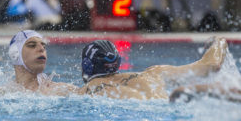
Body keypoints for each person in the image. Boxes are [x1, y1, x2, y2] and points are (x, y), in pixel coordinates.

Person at [78, 37, 228, 100]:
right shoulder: (154, 73)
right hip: (170, 107)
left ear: (87, 66)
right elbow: (211, 66)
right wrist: (218, 42)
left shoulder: (87, 90)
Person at [7, 30, 78, 95]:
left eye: (44, 46)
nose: (41, 49)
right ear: (15, 53)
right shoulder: (3, 92)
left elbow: (83, 92)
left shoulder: (61, 90)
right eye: (32, 45)